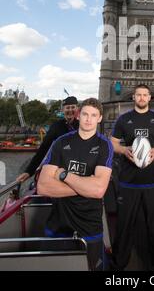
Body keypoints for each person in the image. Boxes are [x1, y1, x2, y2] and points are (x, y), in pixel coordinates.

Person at [37, 98, 113, 271]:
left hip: (89, 225)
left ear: (99, 118)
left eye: (93, 115)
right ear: (79, 115)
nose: (88, 119)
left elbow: (98, 190)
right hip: (58, 222)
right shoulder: (61, 142)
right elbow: (43, 186)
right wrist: (85, 186)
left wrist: (63, 174)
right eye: (85, 114)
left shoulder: (104, 145)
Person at [111, 84, 154, 271]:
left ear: (150, 98)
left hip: (153, 181)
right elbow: (112, 143)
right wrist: (123, 150)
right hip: (128, 182)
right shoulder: (123, 119)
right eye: (139, 95)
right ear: (134, 97)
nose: (142, 98)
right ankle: (120, 263)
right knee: (124, 226)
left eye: (145, 95)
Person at [16, 96, 79, 183]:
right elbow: (43, 149)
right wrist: (29, 171)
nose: (70, 110)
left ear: (77, 109)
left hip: (77, 168)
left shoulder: (82, 126)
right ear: (63, 110)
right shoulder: (56, 126)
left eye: (73, 107)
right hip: (60, 168)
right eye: (67, 107)